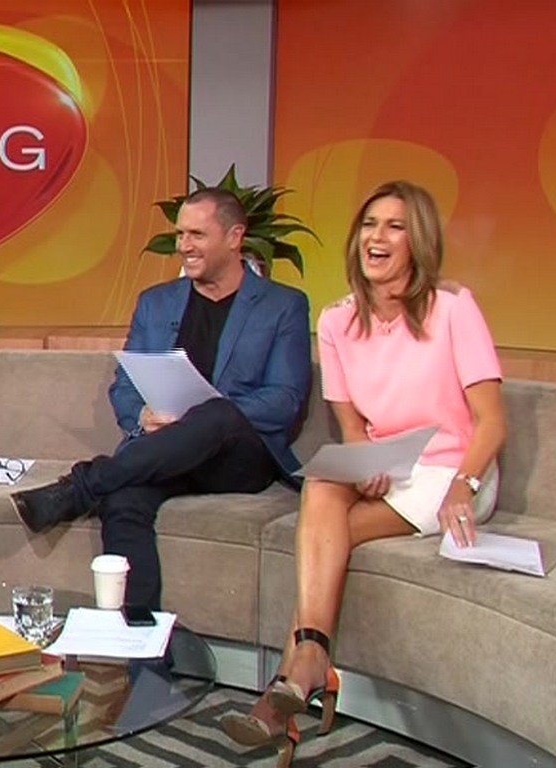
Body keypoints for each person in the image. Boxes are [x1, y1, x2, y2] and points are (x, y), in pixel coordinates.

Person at [219, 180, 506, 765]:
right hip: (387, 466)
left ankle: (294, 676)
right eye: (369, 224)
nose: (377, 236)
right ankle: (309, 665)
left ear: (418, 240)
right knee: (323, 481)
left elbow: (492, 422)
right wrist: (365, 464)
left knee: (327, 539)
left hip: (452, 470)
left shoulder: (454, 308)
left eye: (394, 226)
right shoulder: (337, 320)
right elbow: (352, 428)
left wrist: (465, 485)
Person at [10, 187, 313, 611]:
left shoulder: (283, 306)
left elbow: (284, 399)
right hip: (165, 452)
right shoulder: (156, 304)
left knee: (216, 414)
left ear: (235, 237)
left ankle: (81, 486)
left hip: (239, 458)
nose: (183, 246)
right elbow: (126, 386)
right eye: (180, 234)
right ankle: (141, 637)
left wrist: (201, 418)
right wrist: (142, 417)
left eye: (197, 235)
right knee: (123, 499)